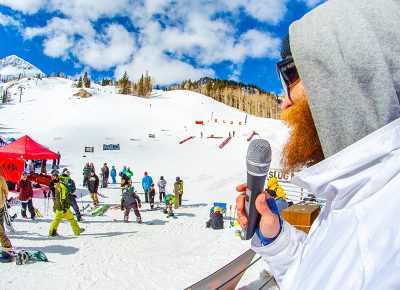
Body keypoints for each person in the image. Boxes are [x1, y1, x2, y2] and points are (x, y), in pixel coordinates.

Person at [236, 1, 400, 289]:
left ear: (348, 67)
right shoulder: (350, 194)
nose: (284, 102)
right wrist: (276, 238)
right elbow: (313, 273)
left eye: (290, 74)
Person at [0, 175, 12, 249]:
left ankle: (5, 243)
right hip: (0, 204)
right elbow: (6, 190)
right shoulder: (1, 178)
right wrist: (4, 197)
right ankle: (4, 242)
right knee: (1, 223)